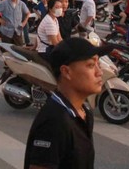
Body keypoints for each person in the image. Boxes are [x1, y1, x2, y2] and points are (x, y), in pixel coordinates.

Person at [24, 37, 112, 169]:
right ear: (66, 72)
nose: (99, 72)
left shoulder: (83, 113)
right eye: (91, 65)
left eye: (98, 64)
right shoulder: (54, 121)